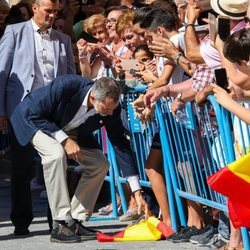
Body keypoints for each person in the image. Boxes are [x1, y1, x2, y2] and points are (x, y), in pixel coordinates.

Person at [10, 75, 149, 243]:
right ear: (93, 97)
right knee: (55, 154)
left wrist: (136, 190)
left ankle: (74, 220)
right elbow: (35, 114)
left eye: (113, 109)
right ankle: (60, 223)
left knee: (100, 163)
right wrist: (65, 140)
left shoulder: (112, 108)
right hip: (34, 120)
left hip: (67, 129)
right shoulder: (66, 85)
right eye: (105, 109)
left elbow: (120, 145)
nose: (110, 113)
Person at [0, 0, 76, 235]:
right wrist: (1, 111)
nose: (52, 16)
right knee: (21, 166)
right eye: (48, 11)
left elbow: (71, 77)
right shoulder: (14, 32)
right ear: (35, 8)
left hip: (52, 112)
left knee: (56, 163)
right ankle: (21, 222)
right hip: (21, 109)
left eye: (56, 12)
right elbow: (1, 71)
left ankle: (59, 220)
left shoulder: (63, 40)